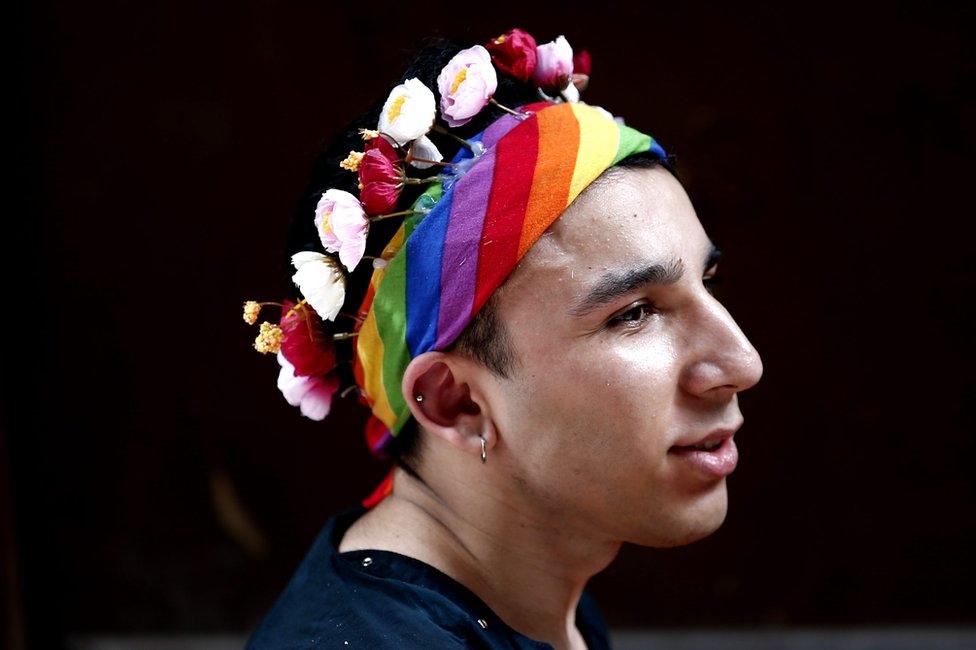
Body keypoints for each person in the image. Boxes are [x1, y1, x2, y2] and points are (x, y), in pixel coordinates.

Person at [244, 29, 762, 650]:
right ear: (455, 402)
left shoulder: (531, 599)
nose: (741, 363)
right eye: (635, 313)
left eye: (709, 280)